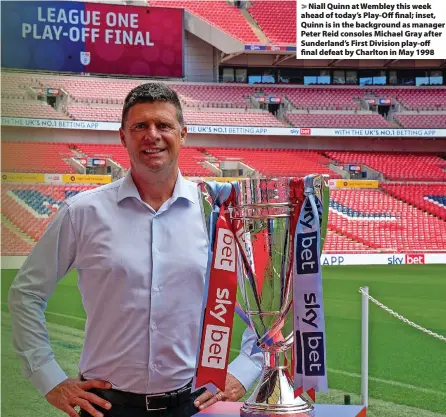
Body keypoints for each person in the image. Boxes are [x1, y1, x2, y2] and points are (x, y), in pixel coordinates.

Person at [8, 82, 263, 417]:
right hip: (106, 406)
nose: (152, 135)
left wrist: (245, 369)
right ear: (122, 137)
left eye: (164, 125)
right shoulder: (83, 212)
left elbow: (265, 305)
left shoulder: (217, 215)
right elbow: (26, 293)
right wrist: (50, 378)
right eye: (140, 126)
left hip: (193, 404)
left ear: (183, 134)